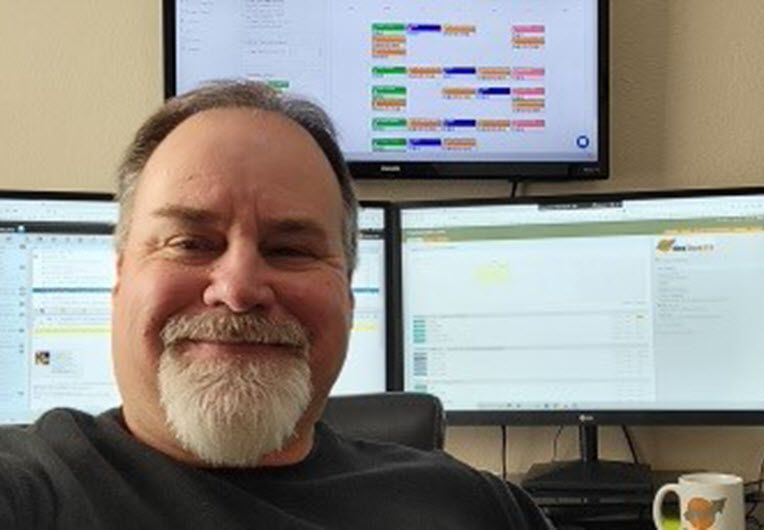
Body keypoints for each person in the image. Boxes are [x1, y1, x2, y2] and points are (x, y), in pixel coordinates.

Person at [0, 81, 555, 529]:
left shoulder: (476, 508)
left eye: (290, 249)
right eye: (191, 243)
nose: (238, 289)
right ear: (121, 278)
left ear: (348, 290)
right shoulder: (32, 490)